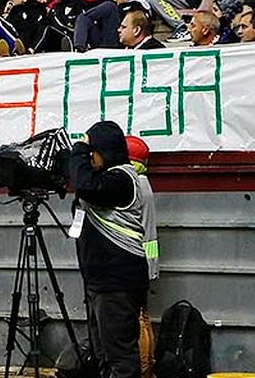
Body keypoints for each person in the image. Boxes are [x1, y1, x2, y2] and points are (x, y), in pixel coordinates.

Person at [66, 121, 159, 378]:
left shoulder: (122, 179)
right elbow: (81, 180)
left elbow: (85, 185)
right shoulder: (107, 178)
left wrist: (79, 149)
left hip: (117, 283)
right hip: (103, 282)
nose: (89, 159)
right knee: (104, 355)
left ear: (105, 151)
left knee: (120, 357)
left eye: (92, 153)